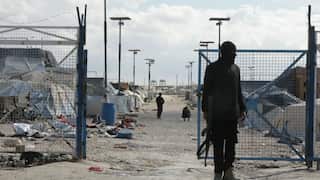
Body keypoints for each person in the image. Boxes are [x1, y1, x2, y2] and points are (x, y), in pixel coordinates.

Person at [202, 41, 246, 180]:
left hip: (232, 115)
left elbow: (238, 90)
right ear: (223, 53)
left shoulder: (236, 69)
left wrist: (242, 108)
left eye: (234, 54)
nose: (233, 56)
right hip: (217, 115)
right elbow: (206, 91)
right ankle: (218, 173)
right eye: (231, 54)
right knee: (218, 146)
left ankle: (228, 171)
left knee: (231, 146)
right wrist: (205, 111)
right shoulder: (212, 68)